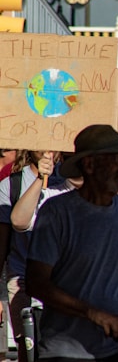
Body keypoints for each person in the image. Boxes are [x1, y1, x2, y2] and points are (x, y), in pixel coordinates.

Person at [25, 124, 118, 361]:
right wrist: (92, 313)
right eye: (115, 158)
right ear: (89, 165)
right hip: (67, 351)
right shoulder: (57, 212)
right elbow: (36, 283)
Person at [0, 149, 58, 362]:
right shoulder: (11, 185)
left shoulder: (67, 181)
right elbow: (7, 237)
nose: (47, 150)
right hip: (23, 281)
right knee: (29, 350)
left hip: (61, 282)